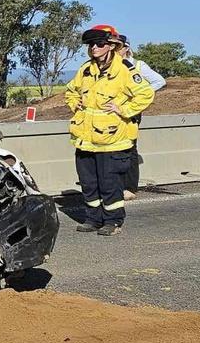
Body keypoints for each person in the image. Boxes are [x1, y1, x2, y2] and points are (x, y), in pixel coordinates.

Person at [64, 25, 155, 236]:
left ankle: (113, 221)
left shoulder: (125, 70)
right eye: (91, 45)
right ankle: (93, 218)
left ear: (111, 46)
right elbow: (71, 91)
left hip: (113, 140)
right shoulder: (86, 70)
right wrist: (74, 102)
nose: (94, 48)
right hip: (86, 139)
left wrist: (123, 110)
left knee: (109, 183)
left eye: (100, 44)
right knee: (89, 183)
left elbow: (145, 94)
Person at [114, 33, 166, 199]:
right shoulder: (109, 66)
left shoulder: (137, 65)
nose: (115, 50)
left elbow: (159, 81)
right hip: (112, 111)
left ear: (126, 48)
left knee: (129, 146)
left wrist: (140, 95)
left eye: (119, 47)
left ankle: (129, 187)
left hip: (132, 111)